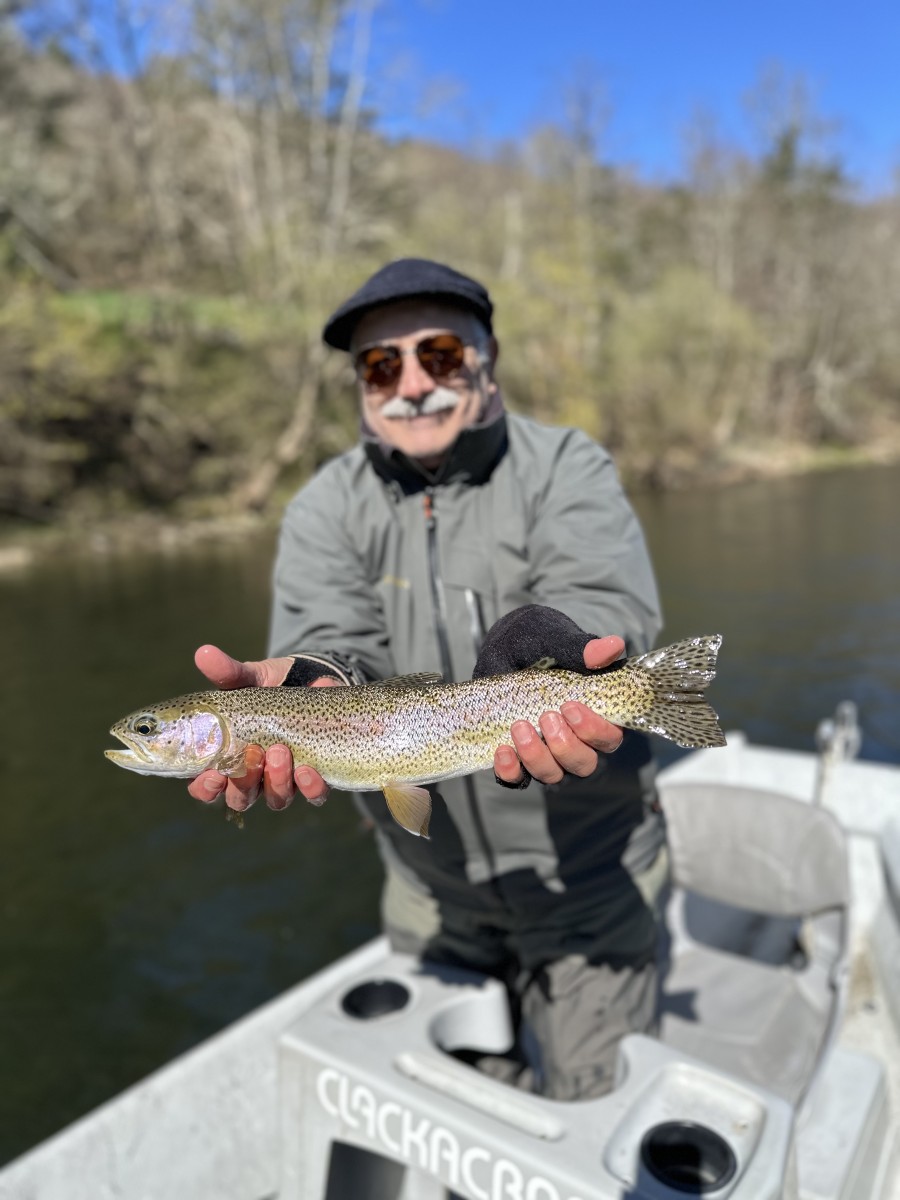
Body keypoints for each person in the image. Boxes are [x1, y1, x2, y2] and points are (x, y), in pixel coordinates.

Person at [188, 258, 665, 1101]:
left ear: (486, 358)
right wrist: (316, 675)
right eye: (382, 364)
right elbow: (330, 641)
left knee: (598, 1116)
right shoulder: (323, 509)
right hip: (430, 900)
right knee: (464, 1117)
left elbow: (607, 597)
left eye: (438, 354)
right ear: (362, 385)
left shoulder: (565, 466)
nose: (412, 383)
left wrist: (555, 638)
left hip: (591, 882)